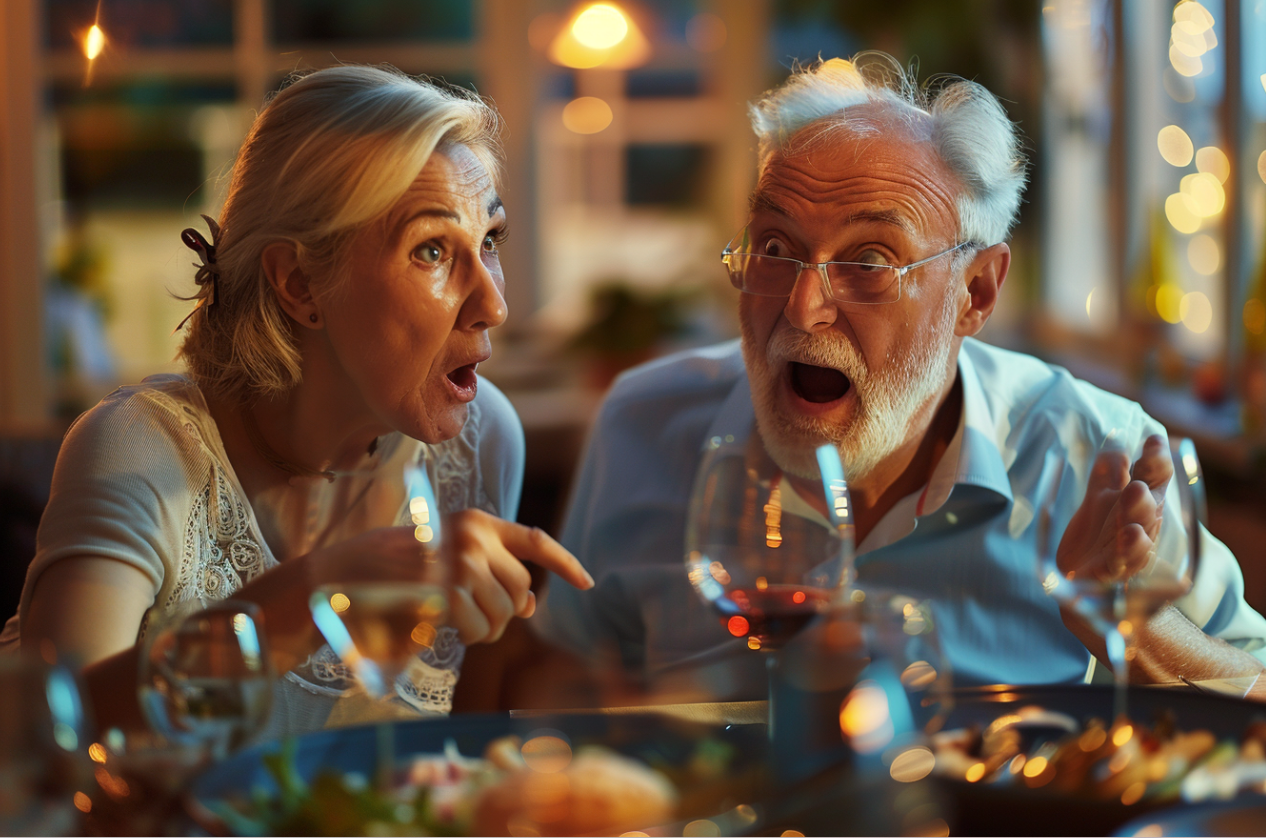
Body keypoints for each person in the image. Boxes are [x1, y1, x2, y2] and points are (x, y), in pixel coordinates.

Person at [536, 53, 1265, 700]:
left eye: (870, 262)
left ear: (975, 293)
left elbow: (1254, 685)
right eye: (777, 246)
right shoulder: (642, 422)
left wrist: (1136, 624)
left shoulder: (1095, 453)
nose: (802, 305)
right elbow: (554, 679)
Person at [0, 65, 593, 735]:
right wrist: (319, 592)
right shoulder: (140, 450)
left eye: (490, 242)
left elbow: (464, 759)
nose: (495, 304)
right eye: (431, 250)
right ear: (299, 284)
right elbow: (48, 742)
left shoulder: (480, 443)